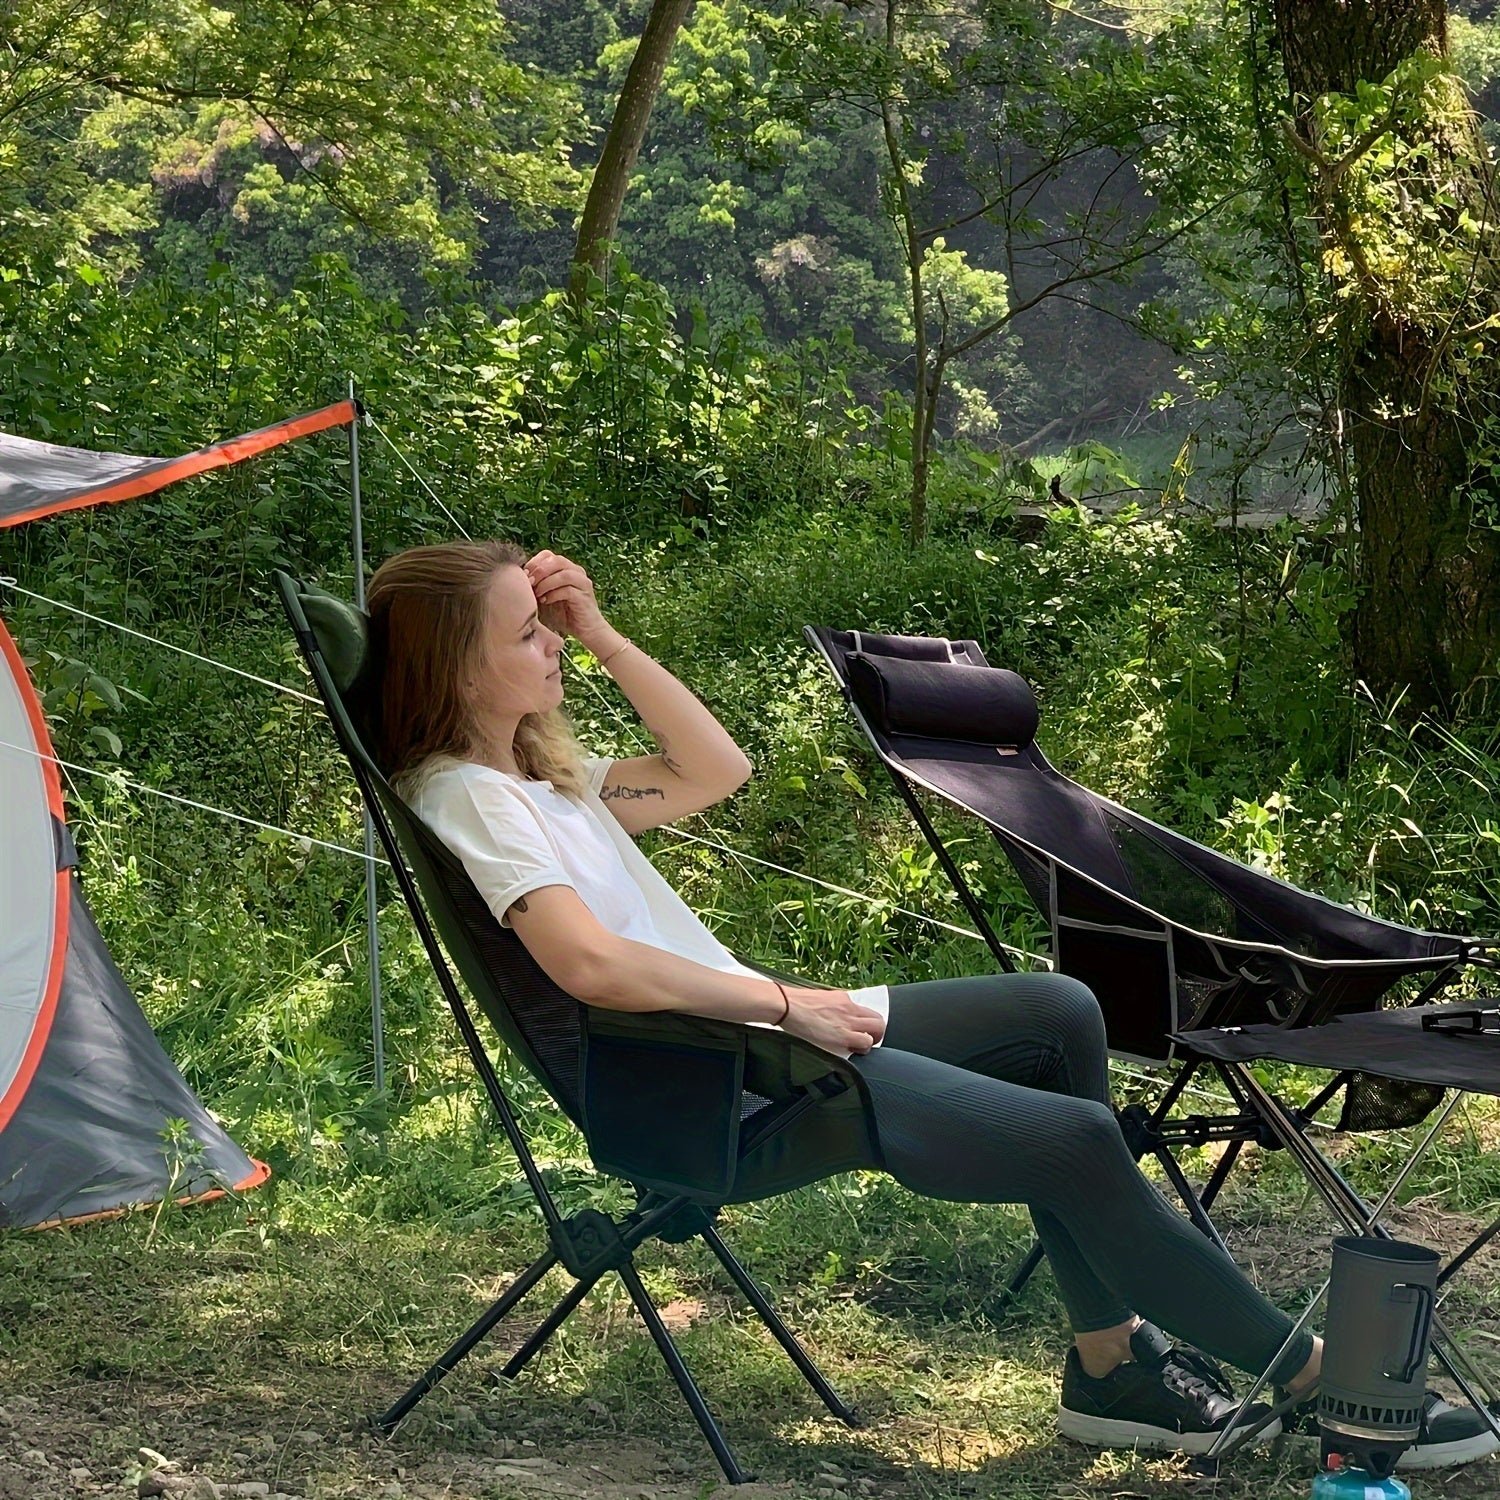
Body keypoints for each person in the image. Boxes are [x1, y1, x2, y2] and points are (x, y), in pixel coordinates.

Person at [363, 539, 1496, 1469]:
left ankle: (1110, 1361)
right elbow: (590, 968)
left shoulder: (542, 781)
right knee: (1075, 1140)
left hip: (744, 1042)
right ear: (460, 674)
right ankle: (1320, 1384)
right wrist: (787, 1004)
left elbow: (715, 770)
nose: (555, 644)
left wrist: (604, 633)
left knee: (1057, 1011)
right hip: (707, 1084)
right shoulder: (470, 795)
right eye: (530, 633)